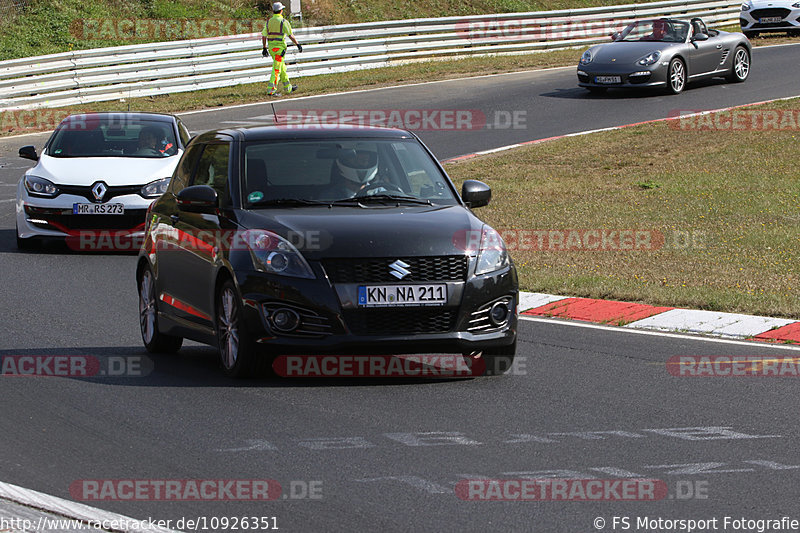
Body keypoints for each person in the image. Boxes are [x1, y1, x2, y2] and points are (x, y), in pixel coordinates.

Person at [262, 2, 303, 96]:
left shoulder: (269, 22)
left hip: (272, 49)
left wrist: (264, 48)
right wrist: (297, 44)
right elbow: (290, 35)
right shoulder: (284, 22)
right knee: (277, 69)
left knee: (282, 67)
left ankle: (288, 88)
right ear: (281, 10)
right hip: (279, 50)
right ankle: (271, 90)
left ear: (273, 11)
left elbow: (264, 36)